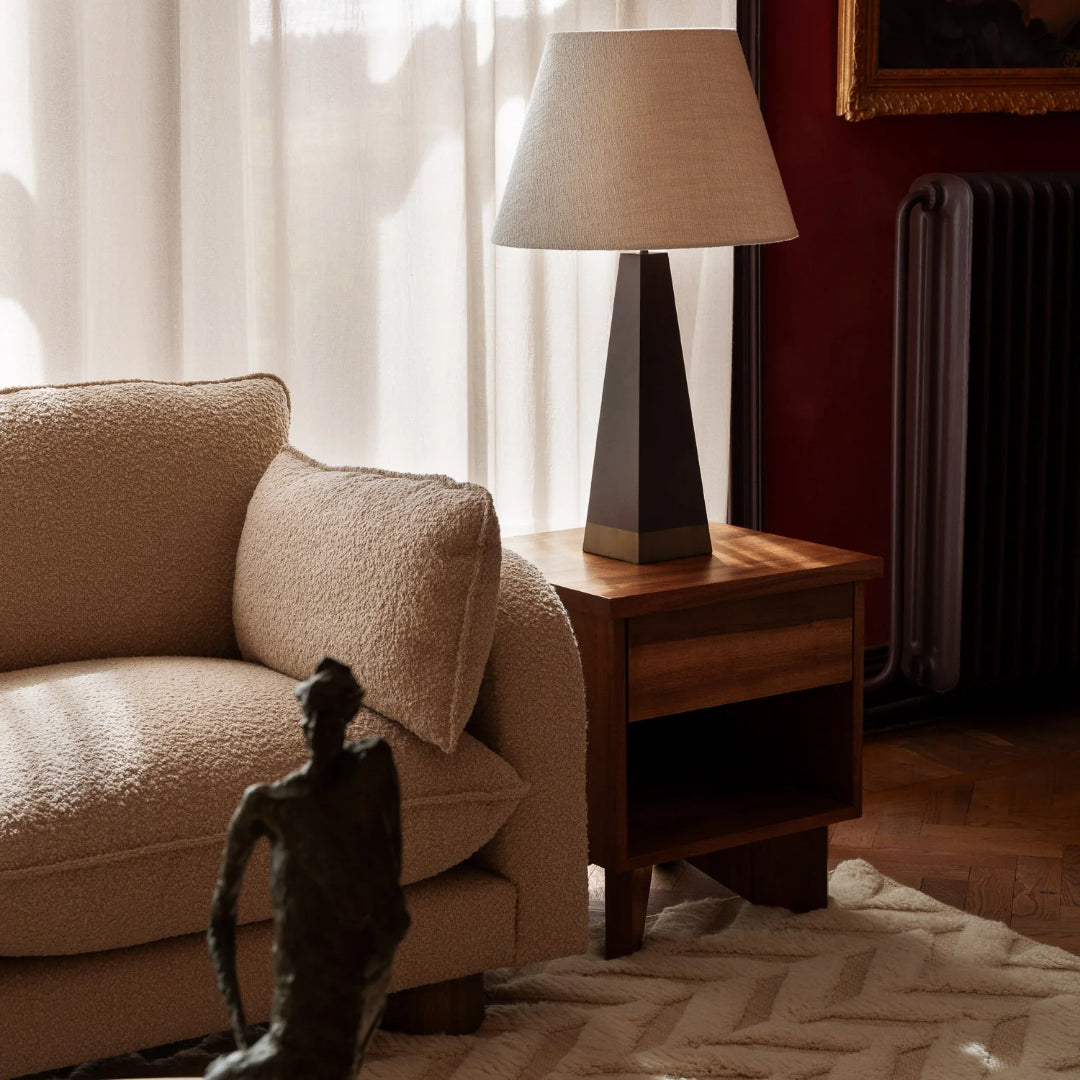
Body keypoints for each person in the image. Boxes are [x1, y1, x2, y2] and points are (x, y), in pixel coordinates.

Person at [205, 658, 410, 1080]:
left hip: (358, 963)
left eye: (332, 717)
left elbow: (389, 856)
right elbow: (221, 918)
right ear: (303, 724)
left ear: (346, 721)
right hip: (301, 986)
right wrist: (241, 1030)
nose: (320, 729)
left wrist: (384, 929)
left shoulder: (372, 768)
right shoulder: (270, 804)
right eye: (314, 718)